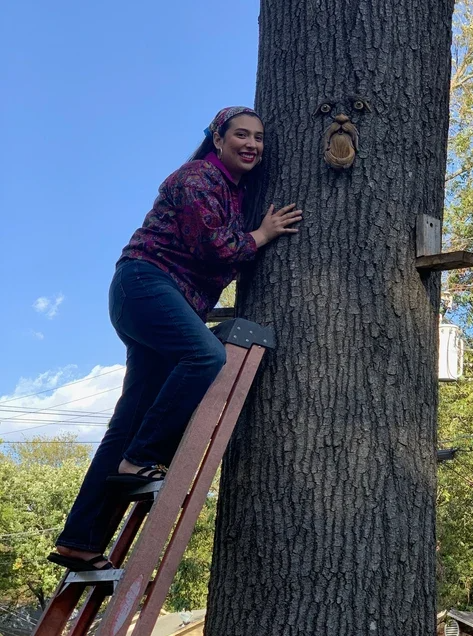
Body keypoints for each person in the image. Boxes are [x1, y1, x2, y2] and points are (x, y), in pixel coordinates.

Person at [48, 106, 302, 572]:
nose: (252, 144)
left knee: (128, 419)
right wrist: (263, 233)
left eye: (259, 138)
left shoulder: (233, 191)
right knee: (205, 355)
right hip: (145, 284)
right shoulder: (197, 178)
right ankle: (142, 458)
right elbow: (217, 246)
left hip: (159, 298)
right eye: (241, 135)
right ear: (217, 138)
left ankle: (80, 539)